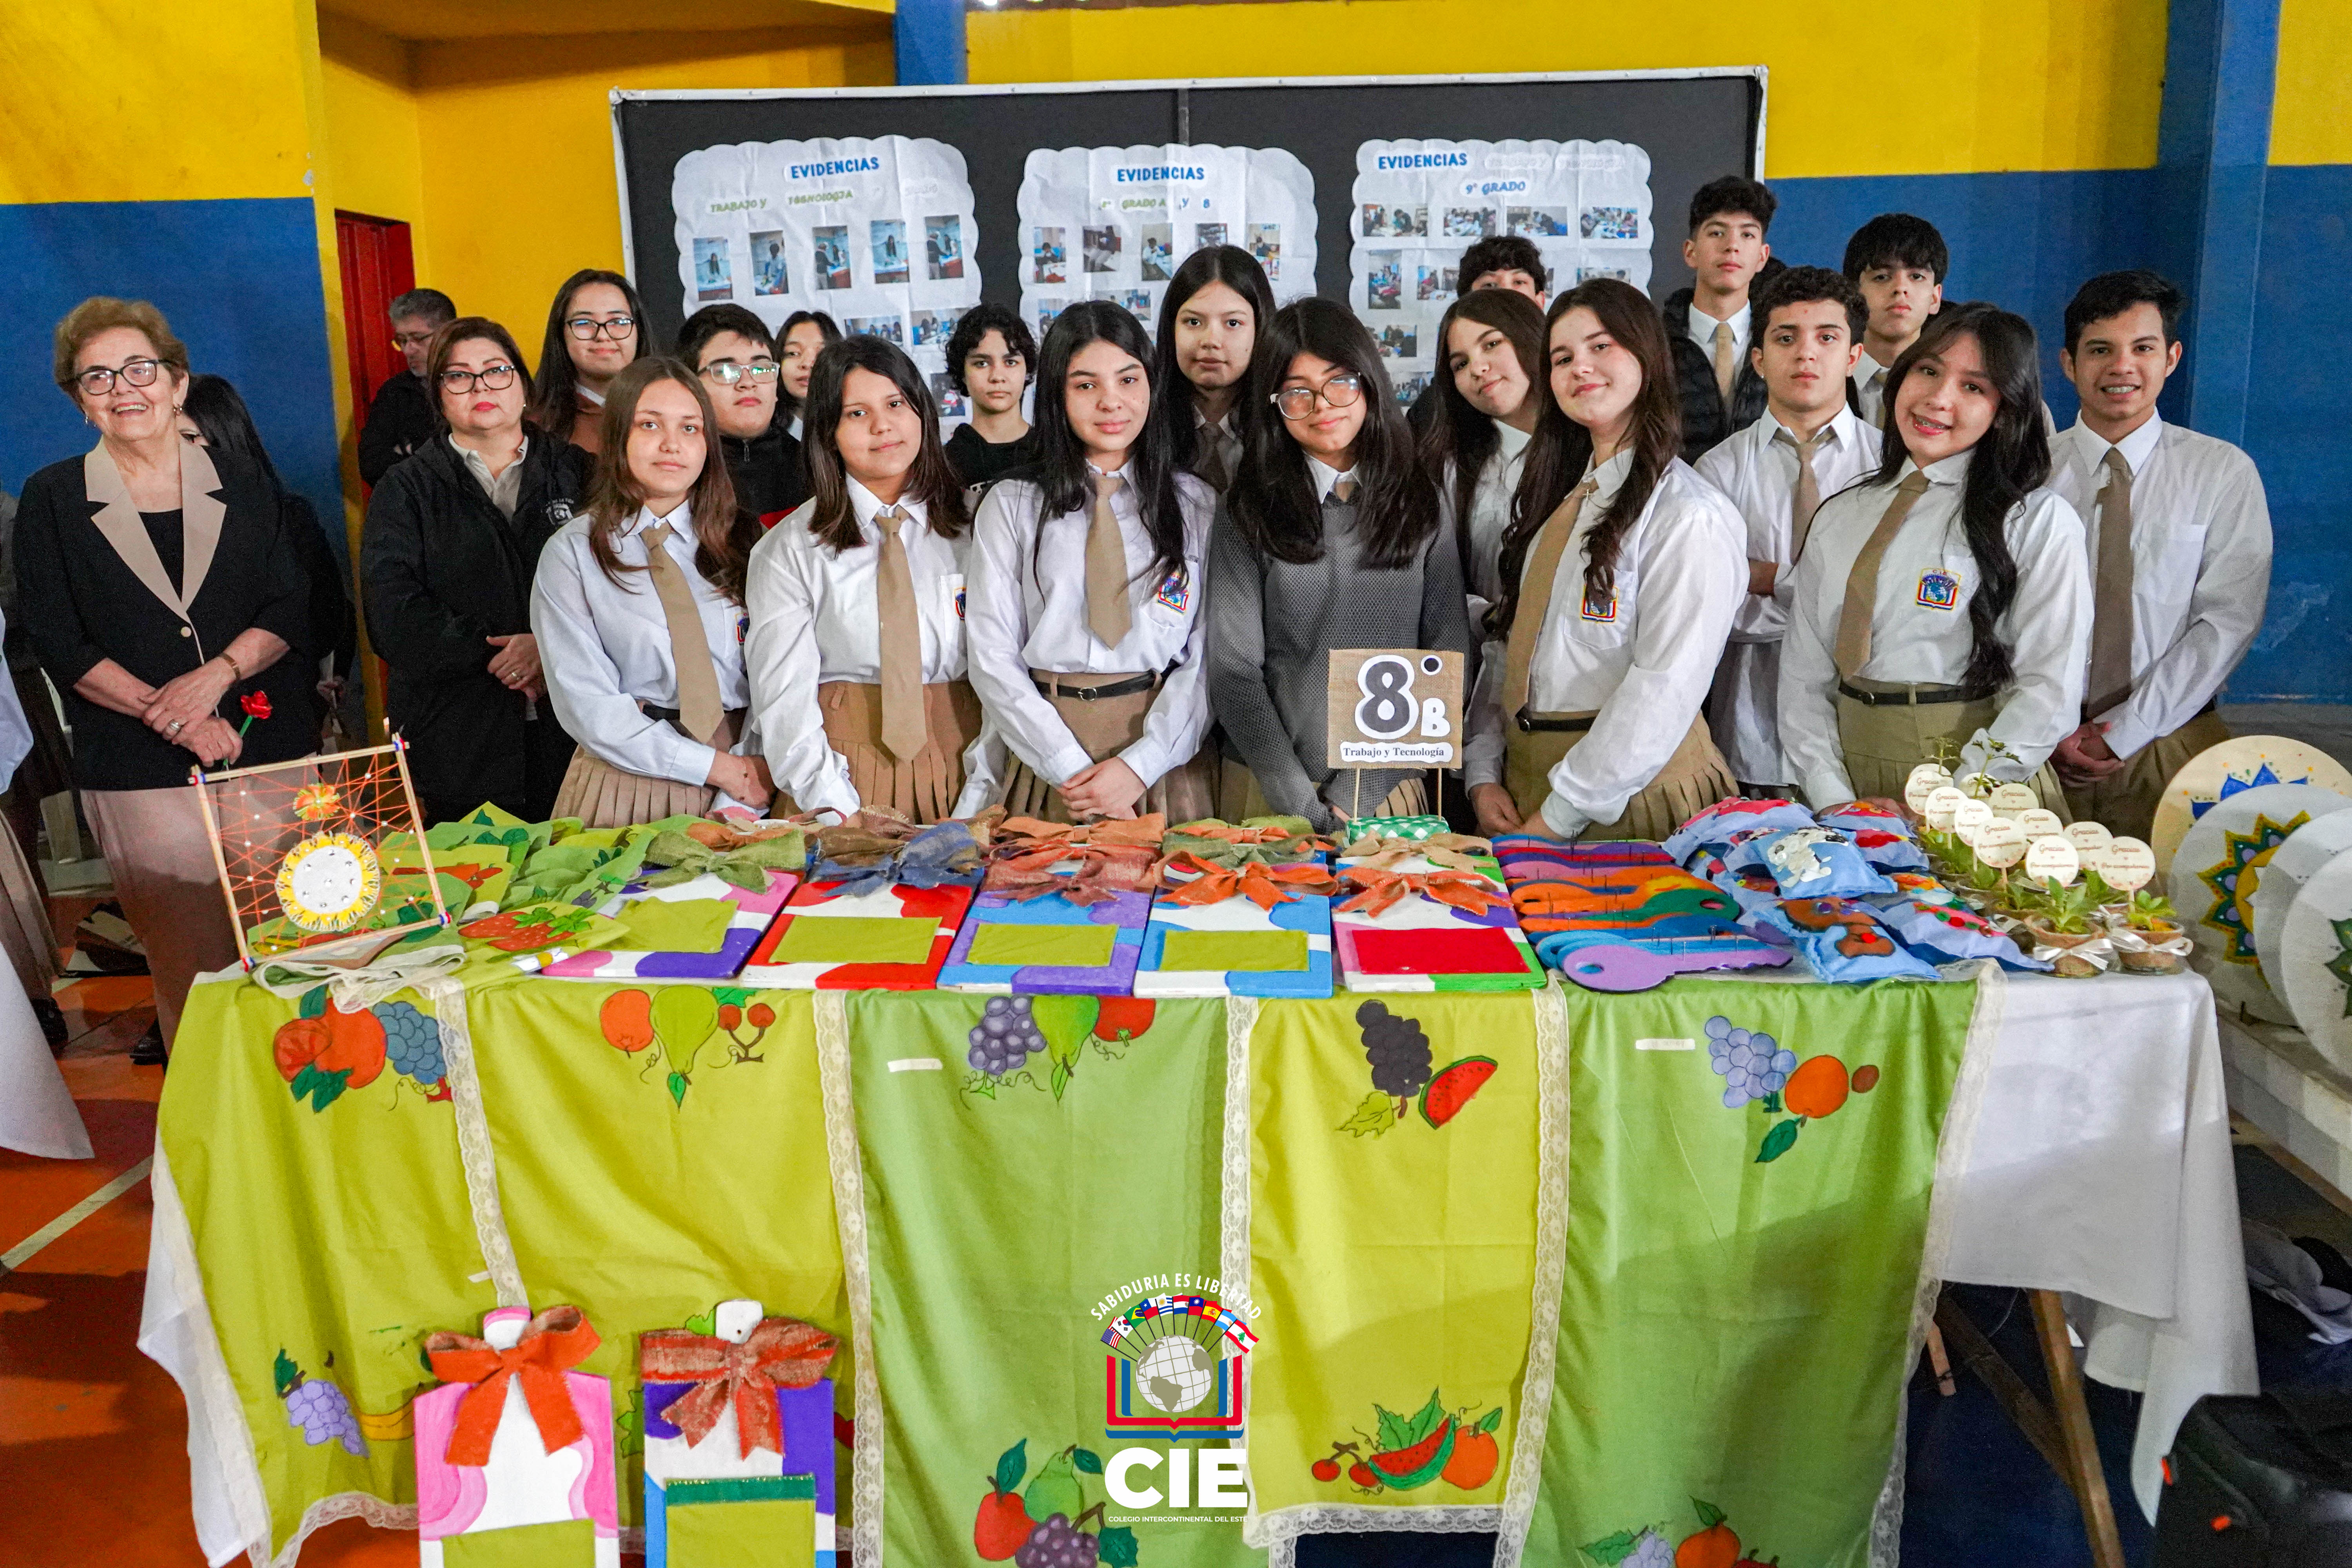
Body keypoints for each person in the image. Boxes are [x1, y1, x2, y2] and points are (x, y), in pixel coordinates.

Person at [16, 298, 317, 1055]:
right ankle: (210, 1154)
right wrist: (174, 713)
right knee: (195, 977)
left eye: (140, 369)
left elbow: (291, 604)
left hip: (265, 746)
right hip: (137, 766)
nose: (124, 389)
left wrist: (216, 677)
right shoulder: (53, 499)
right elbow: (58, 637)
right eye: (97, 378)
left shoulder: (246, 482)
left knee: (303, 954)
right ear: (79, 401)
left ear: (178, 383)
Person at [1779, 303, 2092, 811]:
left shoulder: (2037, 522)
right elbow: (1802, 681)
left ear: (2005, 410)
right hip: (1847, 781)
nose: (1938, 399)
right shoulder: (1842, 516)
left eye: (1973, 387)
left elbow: (2047, 693)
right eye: (1928, 371)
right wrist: (1831, 797)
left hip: (1977, 791)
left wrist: (1948, 803)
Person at [1463, 279, 1744, 840]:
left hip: (1630, 802)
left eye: (1600, 347)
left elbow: (1662, 688)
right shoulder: (1561, 501)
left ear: (1646, 355)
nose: (1579, 368)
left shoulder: (1688, 514)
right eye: (1562, 357)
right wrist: (1483, 770)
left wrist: (1558, 817)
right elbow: (1511, 646)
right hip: (1527, 792)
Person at [1207, 297, 1469, 833]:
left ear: (1368, 380)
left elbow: (1446, 655)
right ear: (1274, 404)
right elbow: (1233, 671)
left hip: (1387, 792)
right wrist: (1300, 804)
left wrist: (1361, 786)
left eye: (1339, 382)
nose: (1323, 406)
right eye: (1297, 392)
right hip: (1268, 793)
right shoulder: (1246, 508)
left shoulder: (1420, 498)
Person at [965, 302, 1217, 823]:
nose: (1111, 402)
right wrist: (1068, 768)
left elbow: (1208, 654)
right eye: (1085, 385)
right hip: (1047, 759)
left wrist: (1140, 767)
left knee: (1177, 903)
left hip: (1160, 757)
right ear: (1056, 394)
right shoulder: (1013, 503)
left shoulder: (1194, 504)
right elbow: (991, 657)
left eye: (1128, 380)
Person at [2047, 269, 2271, 836]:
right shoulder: (2028, 473)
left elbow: (2227, 621)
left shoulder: (2221, 473)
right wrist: (2045, 726)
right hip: (2041, 747)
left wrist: (2124, 728)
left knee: (2171, 917)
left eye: (2142, 348)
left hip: (2172, 742)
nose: (2122, 367)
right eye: (2100, 349)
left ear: (2170, 358)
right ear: (2069, 363)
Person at [744, 337, 999, 824]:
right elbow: (783, 704)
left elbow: (1005, 670)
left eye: (896, 404)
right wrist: (837, 813)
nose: (883, 426)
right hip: (839, 772)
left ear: (922, 410)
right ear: (827, 433)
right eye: (856, 414)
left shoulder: (980, 526)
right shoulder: (789, 548)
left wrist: (983, 794)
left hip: (970, 766)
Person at [364, 316, 584, 825]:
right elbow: (392, 614)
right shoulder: (406, 488)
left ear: (523, 386)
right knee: (482, 895)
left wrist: (546, 649)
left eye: (496, 371)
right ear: (439, 395)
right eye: (459, 376)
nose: (480, 386)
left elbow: (622, 593)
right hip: (457, 737)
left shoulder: (580, 472)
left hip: (576, 727)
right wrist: (501, 653)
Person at [533, 358, 768, 826]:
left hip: (753, 775)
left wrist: (749, 766)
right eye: (649, 425)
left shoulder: (747, 540)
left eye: (690, 428)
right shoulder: (574, 553)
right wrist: (717, 769)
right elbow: (588, 705)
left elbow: (779, 670)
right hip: (627, 782)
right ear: (617, 436)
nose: (671, 445)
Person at [1695, 267, 1883, 795]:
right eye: (1785, 338)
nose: (1806, 354)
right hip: (1752, 732)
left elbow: (1890, 613)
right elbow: (1719, 613)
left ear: (1853, 356)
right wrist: (1835, 601)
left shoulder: (1891, 466)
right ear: (1758, 359)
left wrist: (1764, 578)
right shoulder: (1715, 472)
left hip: (1863, 736)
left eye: (1827, 337)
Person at [176, 374, 359, 741]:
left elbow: (325, 618)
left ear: (225, 436)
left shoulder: (286, 517)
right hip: (179, 723)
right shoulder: (143, 527)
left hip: (275, 714)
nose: (174, 454)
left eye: (189, 439)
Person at [1418, 286, 1547, 628]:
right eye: (1460, 364)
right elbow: (1435, 585)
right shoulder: (1450, 469)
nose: (1478, 368)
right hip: (1489, 659)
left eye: (1491, 345)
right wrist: (1491, 617)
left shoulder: (1595, 448)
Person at [1661, 176, 1776, 461]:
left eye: (1747, 235)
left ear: (1762, 257)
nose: (1732, 246)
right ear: (1691, 252)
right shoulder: (1655, 341)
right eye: (1717, 233)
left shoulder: (1781, 341)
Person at [1154, 246, 1275, 493]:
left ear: (1260, 329)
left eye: (1233, 323)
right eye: (1193, 322)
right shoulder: (1141, 419)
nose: (1211, 340)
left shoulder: (1286, 422)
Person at [676, 304, 808, 528]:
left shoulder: (814, 465)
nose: (748, 383)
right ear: (689, 385)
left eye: (761, 369)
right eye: (726, 370)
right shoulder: (674, 469)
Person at [1406, 234, 1550, 435]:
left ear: (1539, 301)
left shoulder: (1570, 378)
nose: (1506, 294)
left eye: (1518, 282)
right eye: (1490, 286)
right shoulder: (1436, 411)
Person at [1840, 213, 1947, 428]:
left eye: (1917, 277)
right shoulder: (1823, 374)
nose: (1901, 288)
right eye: (1882, 277)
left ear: (1935, 298)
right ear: (1854, 296)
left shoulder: (1949, 386)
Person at [528, 269, 646, 456]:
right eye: (584, 323)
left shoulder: (672, 411)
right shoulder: (535, 426)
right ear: (561, 334)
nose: (603, 336)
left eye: (619, 321)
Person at [359, 287, 456, 486]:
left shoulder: (479, 383)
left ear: (448, 334)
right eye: (402, 341)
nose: (408, 350)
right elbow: (372, 465)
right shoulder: (395, 392)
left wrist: (410, 452)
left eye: (418, 339)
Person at [943, 303, 1039, 486]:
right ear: (962, 373)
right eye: (982, 364)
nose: (997, 377)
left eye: (1010, 362)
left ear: (1027, 369)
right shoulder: (942, 465)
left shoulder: (1053, 455)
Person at [777, 309, 842, 440]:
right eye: (794, 353)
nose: (807, 364)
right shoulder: (763, 432)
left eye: (821, 354)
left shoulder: (852, 430)